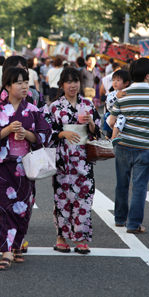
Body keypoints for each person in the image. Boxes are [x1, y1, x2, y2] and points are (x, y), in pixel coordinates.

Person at [0, 67, 51, 270]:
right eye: (19, 82)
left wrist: (28, 135)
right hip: (1, 166)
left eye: (26, 82)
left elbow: (45, 134)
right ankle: (6, 251)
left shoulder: (34, 110)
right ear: (8, 86)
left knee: (23, 208)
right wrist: (7, 130)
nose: (24, 86)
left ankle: (17, 244)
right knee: (1, 207)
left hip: (25, 166)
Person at [49, 67, 101, 254]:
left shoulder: (87, 104)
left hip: (84, 160)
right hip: (62, 159)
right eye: (69, 82)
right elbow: (48, 133)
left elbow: (98, 132)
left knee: (84, 198)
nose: (73, 85)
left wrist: (91, 124)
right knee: (62, 199)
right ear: (62, 84)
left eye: (76, 81)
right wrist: (63, 132)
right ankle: (61, 237)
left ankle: (81, 238)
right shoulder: (54, 107)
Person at [109, 58, 149, 234]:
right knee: (139, 188)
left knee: (122, 184)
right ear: (148, 75)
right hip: (145, 147)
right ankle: (133, 224)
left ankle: (119, 219)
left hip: (123, 145)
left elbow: (112, 120)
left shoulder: (123, 94)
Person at [105, 70, 131, 141]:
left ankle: (117, 136)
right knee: (121, 118)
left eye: (118, 80)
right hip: (111, 116)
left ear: (126, 83)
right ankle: (114, 136)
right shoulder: (111, 94)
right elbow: (109, 105)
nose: (115, 82)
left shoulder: (128, 93)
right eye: (113, 80)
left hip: (124, 116)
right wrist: (116, 96)